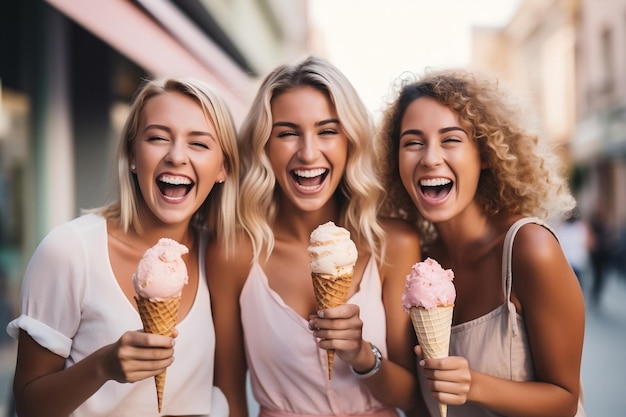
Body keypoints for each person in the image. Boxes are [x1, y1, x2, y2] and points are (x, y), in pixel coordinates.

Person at [206, 56, 427, 417]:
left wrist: (360, 354)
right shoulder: (233, 252)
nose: (308, 153)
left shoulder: (394, 243)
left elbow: (411, 395)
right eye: (287, 133)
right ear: (264, 145)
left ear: (349, 142)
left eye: (327, 131)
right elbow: (229, 395)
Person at [7, 76, 239, 416]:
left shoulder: (220, 256)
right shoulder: (70, 251)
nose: (176, 156)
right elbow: (27, 406)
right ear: (132, 154)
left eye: (199, 144)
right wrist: (103, 365)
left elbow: (229, 393)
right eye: (158, 138)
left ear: (223, 167)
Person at [378, 68, 586, 417]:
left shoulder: (529, 249)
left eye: (451, 139)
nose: (430, 158)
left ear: (485, 154)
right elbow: (415, 401)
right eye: (413, 142)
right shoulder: (418, 266)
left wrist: (473, 384)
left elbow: (565, 399)